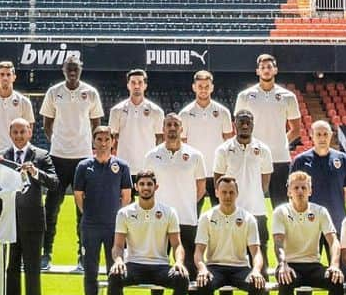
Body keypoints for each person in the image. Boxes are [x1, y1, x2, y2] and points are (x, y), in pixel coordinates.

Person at [105, 170, 190, 295]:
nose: (145, 188)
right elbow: (118, 246)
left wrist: (179, 263)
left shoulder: (168, 212)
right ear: (136, 187)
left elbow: (177, 245)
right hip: (134, 265)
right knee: (114, 276)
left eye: (149, 184)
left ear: (155, 187)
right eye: (142, 184)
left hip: (160, 266)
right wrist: (119, 261)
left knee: (183, 278)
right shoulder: (125, 213)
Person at [142, 114, 207, 295]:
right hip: (159, 220)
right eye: (168, 125)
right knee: (158, 266)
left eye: (176, 125)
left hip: (187, 219)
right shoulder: (152, 155)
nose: (172, 129)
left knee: (191, 268)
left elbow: (200, 189)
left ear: (182, 128)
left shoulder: (195, 155)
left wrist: (185, 205)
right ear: (162, 128)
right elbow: (149, 186)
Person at [40, 55, 103, 270]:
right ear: (63, 70)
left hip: (83, 158)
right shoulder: (54, 92)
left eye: (76, 68)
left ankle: (83, 256)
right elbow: (47, 124)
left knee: (84, 211)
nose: (73, 71)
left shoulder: (91, 93)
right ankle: (46, 253)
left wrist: (87, 147)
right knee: (51, 208)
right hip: (57, 157)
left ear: (81, 69)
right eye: (69, 68)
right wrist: (59, 142)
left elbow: (96, 124)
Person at [0, 116, 56, 295]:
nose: (19, 136)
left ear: (30, 132)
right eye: (15, 132)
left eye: (23, 132)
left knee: (32, 270)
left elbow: (54, 182)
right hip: (8, 221)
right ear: (10, 134)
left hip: (33, 222)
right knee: (10, 270)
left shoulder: (41, 155)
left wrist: (35, 172)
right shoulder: (1, 157)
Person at [290, 119, 346, 295]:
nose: (322, 137)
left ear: (331, 135)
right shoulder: (301, 160)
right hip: (306, 226)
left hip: (335, 224)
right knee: (304, 268)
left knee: (338, 272)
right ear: (311, 135)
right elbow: (293, 190)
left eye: (325, 134)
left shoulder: (343, 160)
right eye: (318, 134)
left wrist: (328, 212)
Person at [213, 108, 273, 295]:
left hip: (257, 214)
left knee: (261, 265)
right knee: (224, 263)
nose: (245, 125)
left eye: (248, 121)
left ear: (253, 123)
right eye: (241, 121)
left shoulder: (263, 149)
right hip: (229, 214)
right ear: (234, 123)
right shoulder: (223, 149)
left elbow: (265, 183)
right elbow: (218, 182)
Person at [271, 170, 344, 295]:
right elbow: (278, 242)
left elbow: (333, 240)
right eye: (296, 188)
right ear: (289, 191)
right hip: (290, 264)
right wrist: (283, 264)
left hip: (312, 264)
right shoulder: (281, 212)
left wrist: (334, 265)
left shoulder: (320, 211)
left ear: (310, 191)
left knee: (337, 280)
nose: (300, 191)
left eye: (304, 187)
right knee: (285, 278)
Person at [194, 176, 268, 295]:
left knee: (260, 285)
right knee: (202, 283)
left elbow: (256, 252)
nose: (227, 196)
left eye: (231, 192)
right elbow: (199, 252)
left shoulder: (248, 218)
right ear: (216, 193)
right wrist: (202, 269)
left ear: (237, 194)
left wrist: (256, 271)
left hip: (240, 267)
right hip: (215, 266)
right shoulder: (207, 217)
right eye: (224, 192)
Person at [74, 126, 132, 295]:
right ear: (93, 141)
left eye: (107, 139)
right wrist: (88, 214)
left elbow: (126, 196)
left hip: (114, 228)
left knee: (114, 271)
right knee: (89, 270)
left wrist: (120, 219)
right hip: (90, 226)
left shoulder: (122, 166)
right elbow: (78, 195)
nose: (103, 143)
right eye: (99, 139)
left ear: (112, 141)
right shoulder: (83, 166)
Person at [234, 53, 301, 205]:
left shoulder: (288, 96)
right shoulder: (244, 96)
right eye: (262, 67)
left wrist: (282, 143)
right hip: (253, 157)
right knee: (250, 202)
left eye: (269, 67)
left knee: (281, 204)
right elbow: (238, 128)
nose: (266, 70)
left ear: (275, 70)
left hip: (279, 158)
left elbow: (296, 129)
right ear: (257, 71)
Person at [178, 69, 233, 207]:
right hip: (194, 172)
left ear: (212, 87)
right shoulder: (185, 114)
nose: (203, 90)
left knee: (221, 212)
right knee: (192, 213)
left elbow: (229, 143)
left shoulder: (223, 112)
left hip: (218, 171)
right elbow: (182, 144)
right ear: (194, 87)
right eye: (200, 86)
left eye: (207, 86)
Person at [0, 60, 35, 166]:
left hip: (15, 158)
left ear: (14, 77)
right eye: (2, 74)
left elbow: (28, 132)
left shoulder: (24, 102)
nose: (5, 78)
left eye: (8, 74)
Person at [108, 69, 165, 174]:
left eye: (140, 82)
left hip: (147, 167)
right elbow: (112, 139)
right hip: (123, 166)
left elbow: (160, 139)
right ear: (128, 85)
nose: (137, 86)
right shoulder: (116, 110)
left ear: (145, 85)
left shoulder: (157, 111)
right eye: (133, 82)